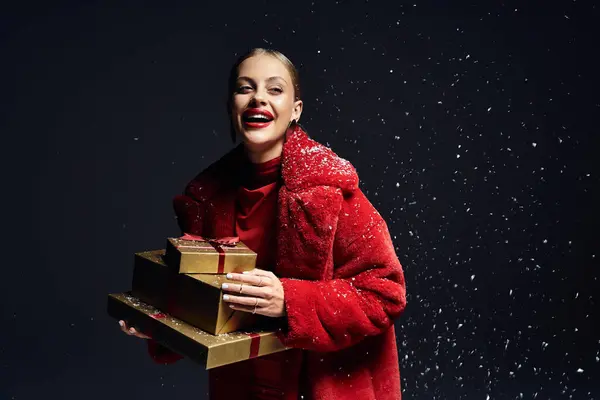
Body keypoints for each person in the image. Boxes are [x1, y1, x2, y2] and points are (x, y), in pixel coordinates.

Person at [119, 48, 407, 400]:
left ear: (295, 110)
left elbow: (384, 293)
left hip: (319, 387)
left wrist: (291, 300)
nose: (258, 98)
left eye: (274, 89)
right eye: (245, 88)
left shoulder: (331, 192)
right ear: (232, 106)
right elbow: (207, 302)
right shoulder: (207, 201)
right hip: (242, 385)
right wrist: (161, 326)